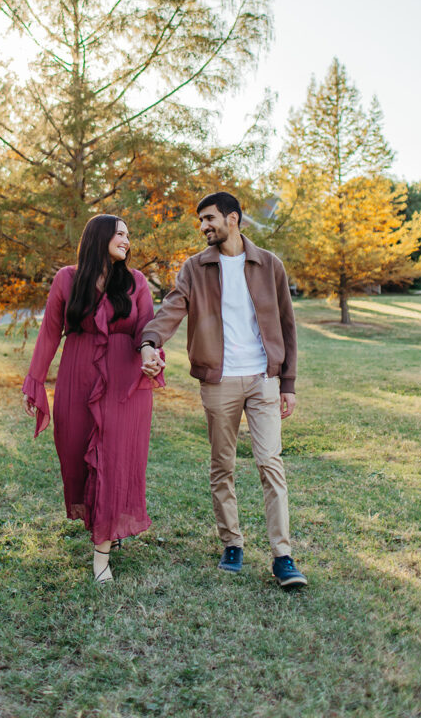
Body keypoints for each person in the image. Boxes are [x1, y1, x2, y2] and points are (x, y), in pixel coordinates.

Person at [139, 192, 307, 588]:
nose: (203, 227)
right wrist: (149, 341)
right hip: (219, 381)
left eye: (210, 218)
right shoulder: (195, 268)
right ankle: (232, 543)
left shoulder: (269, 265)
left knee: (270, 464)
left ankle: (282, 556)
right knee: (222, 465)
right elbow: (172, 307)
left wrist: (288, 383)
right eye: (201, 221)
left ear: (233, 219)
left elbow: (287, 325)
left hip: (264, 378)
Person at [22, 215, 164, 583]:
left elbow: (148, 327)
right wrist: (35, 380)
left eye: (129, 235)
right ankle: (105, 523)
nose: (127, 240)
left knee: (114, 460)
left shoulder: (135, 282)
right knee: (75, 454)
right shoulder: (67, 279)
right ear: (99, 236)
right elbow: (50, 333)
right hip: (77, 377)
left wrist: (151, 355)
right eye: (119, 233)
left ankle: (101, 556)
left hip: (123, 383)